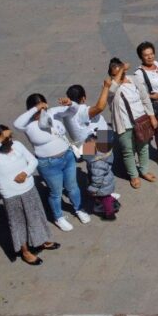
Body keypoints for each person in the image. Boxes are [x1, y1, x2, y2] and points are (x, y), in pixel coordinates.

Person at [0, 126, 58, 265]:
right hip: (11, 195)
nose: (10, 140)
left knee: (36, 217)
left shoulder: (17, 145)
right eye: (5, 138)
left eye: (10, 136)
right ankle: (25, 252)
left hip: (29, 189)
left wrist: (25, 173)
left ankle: (41, 241)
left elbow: (33, 161)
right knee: (18, 224)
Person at [13, 94, 89, 231]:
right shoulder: (28, 124)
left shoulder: (53, 112)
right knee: (56, 192)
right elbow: (16, 124)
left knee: (73, 186)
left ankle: (79, 209)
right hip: (48, 164)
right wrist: (35, 109)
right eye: (38, 109)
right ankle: (58, 217)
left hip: (67, 157)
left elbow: (74, 110)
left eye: (44, 107)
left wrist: (70, 103)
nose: (42, 112)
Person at [55, 81, 118, 219]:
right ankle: (102, 194)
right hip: (97, 141)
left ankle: (100, 191)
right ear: (83, 98)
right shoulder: (82, 111)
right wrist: (106, 87)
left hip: (90, 141)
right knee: (102, 167)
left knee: (94, 168)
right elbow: (100, 107)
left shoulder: (69, 111)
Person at [106, 58, 158, 189]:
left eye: (122, 73)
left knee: (143, 147)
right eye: (115, 74)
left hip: (141, 120)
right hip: (124, 125)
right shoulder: (110, 86)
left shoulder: (133, 79)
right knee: (128, 151)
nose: (120, 77)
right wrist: (121, 70)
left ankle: (144, 171)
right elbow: (112, 90)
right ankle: (134, 175)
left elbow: (145, 98)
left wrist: (152, 117)